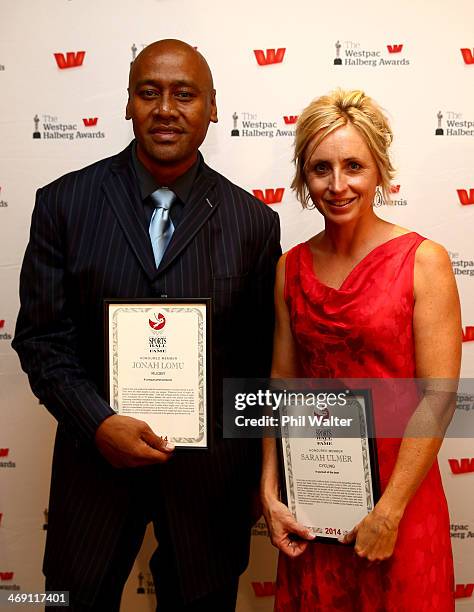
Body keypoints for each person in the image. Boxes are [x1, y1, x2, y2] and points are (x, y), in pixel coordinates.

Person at [13, 39, 281, 611]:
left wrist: (262, 467)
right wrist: (98, 423)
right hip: (94, 469)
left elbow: (258, 360)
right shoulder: (63, 203)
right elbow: (41, 339)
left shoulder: (254, 223)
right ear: (127, 103)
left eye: (184, 95)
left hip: (209, 487)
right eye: (148, 92)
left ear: (212, 108)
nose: (165, 108)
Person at [260, 89, 461, 611]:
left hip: (401, 502)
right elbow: (281, 386)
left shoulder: (423, 261)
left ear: (379, 171)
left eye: (354, 166)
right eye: (321, 168)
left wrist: (389, 513)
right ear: (304, 176)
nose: (338, 184)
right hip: (316, 503)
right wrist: (269, 489)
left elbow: (438, 398)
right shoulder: (290, 268)